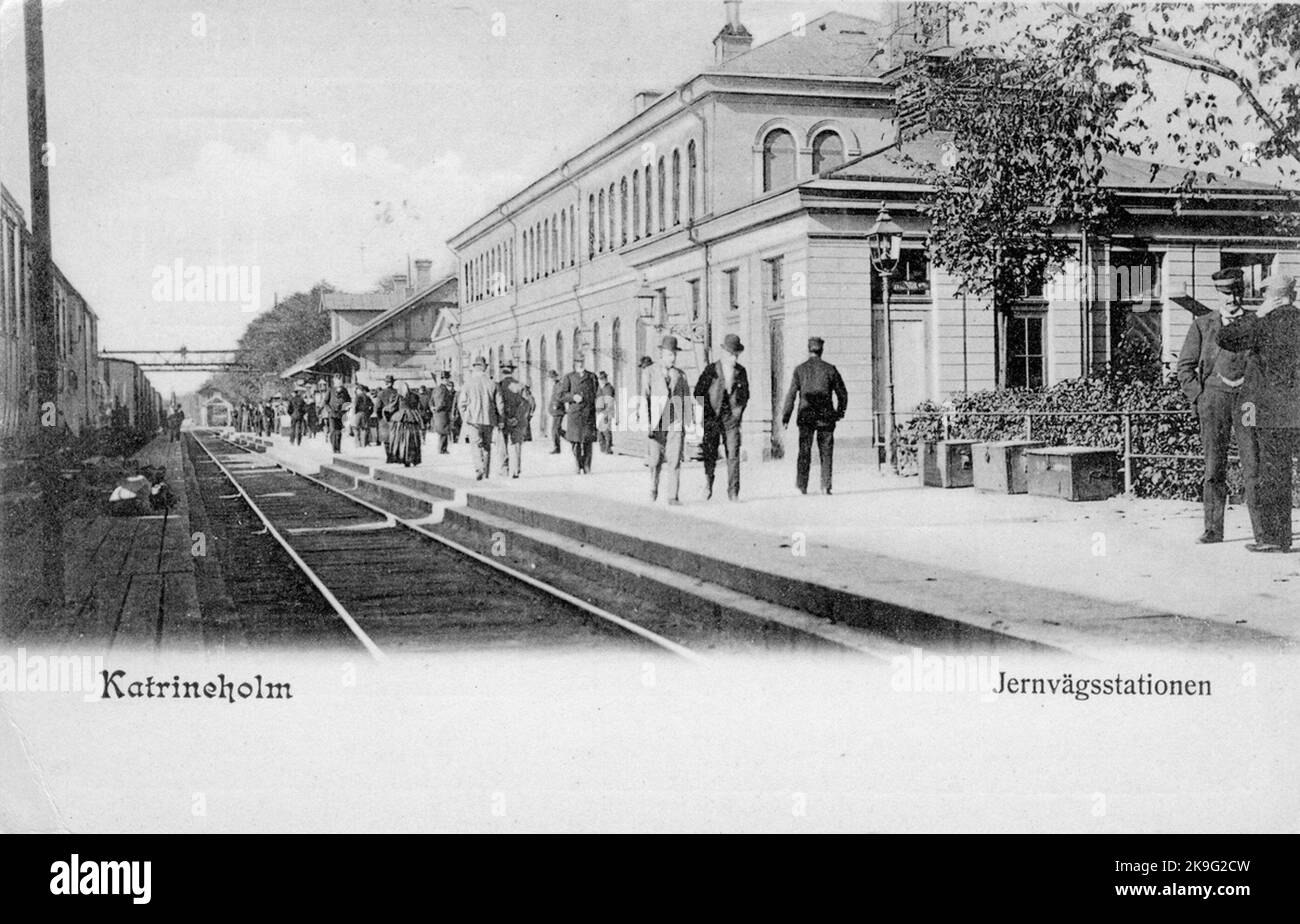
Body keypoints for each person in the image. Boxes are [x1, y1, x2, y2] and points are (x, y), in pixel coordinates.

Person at [1217, 272, 1300, 553]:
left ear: (1274, 297)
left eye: (1265, 296)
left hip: (1275, 414)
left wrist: (1259, 314)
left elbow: (1226, 337)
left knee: (1274, 474)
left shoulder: (1265, 323)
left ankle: (1276, 539)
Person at [1177, 268, 1258, 544]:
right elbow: (1185, 367)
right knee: (1213, 467)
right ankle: (1213, 529)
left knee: (1253, 463)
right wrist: (1199, 396)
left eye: (1236, 292)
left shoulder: (1255, 323)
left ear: (1243, 293)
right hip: (1213, 401)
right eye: (1226, 294)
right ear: (1218, 295)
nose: (1232, 299)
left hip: (1248, 402)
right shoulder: (1203, 325)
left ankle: (1262, 532)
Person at [781, 336, 848, 495]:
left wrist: (785, 417)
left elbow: (791, 395)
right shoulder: (830, 369)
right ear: (821, 350)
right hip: (826, 417)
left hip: (806, 416)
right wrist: (839, 413)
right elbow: (842, 394)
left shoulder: (800, 370)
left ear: (808, 349)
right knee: (826, 452)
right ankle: (826, 486)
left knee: (804, 451)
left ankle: (802, 486)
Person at [694, 333, 750, 501]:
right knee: (710, 453)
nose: (734, 358)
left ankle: (733, 492)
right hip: (712, 418)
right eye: (731, 354)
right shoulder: (711, 370)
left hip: (730, 419)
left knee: (733, 454)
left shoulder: (741, 372)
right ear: (724, 353)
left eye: (736, 355)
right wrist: (707, 410)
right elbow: (698, 392)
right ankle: (708, 484)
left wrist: (738, 412)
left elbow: (746, 394)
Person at [643, 335, 692, 504]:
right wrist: (647, 424)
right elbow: (645, 399)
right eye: (669, 355)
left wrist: (687, 425)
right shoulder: (649, 372)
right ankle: (653, 487)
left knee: (674, 459)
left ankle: (673, 496)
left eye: (674, 355)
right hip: (656, 423)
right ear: (661, 354)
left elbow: (686, 399)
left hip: (674, 422)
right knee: (655, 460)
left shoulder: (681, 375)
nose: (673, 358)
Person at [554, 353, 599, 474]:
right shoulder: (569, 377)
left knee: (588, 442)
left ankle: (587, 466)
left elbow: (596, 393)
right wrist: (573, 397)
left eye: (582, 361)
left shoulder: (592, 377)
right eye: (578, 361)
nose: (580, 363)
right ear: (574, 363)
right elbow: (561, 395)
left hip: (589, 413)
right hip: (575, 414)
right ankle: (578, 465)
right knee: (576, 442)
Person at [458, 357, 500, 480]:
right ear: (485, 367)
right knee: (487, 445)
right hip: (489, 419)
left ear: (474, 367)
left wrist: (465, 417)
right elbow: (500, 404)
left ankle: (479, 468)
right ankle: (486, 471)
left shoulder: (468, 383)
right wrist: (499, 419)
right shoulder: (492, 383)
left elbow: (462, 404)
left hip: (473, 420)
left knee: (476, 445)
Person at [496, 363, 535, 478]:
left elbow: (495, 404)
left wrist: (504, 418)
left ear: (502, 372)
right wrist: (520, 418)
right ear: (513, 371)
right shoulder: (521, 386)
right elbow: (530, 403)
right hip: (518, 421)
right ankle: (515, 470)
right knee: (516, 444)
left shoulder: (499, 386)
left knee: (502, 444)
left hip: (502, 420)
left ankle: (504, 469)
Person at [389, 382, 424, 467]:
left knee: (401, 440)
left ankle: (403, 457)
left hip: (401, 420)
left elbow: (392, 407)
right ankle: (413, 458)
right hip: (412, 418)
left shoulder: (398, 397)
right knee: (413, 440)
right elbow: (420, 407)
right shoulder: (414, 396)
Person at [325, 375, 351, 454]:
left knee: (339, 432)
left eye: (339, 379)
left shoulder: (344, 390)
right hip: (332, 414)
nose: (338, 381)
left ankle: (338, 449)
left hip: (341, 414)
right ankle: (334, 448)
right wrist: (329, 410)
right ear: (334, 381)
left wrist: (346, 410)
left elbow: (348, 401)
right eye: (336, 380)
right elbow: (326, 402)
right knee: (333, 431)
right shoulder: (330, 390)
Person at [375, 375, 399, 461]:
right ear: (393, 383)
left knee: (386, 439)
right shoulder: (397, 393)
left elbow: (377, 407)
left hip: (384, 418)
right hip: (396, 418)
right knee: (395, 438)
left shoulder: (381, 393)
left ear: (385, 383)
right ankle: (395, 456)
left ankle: (389, 457)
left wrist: (380, 418)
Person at [430, 371, 455, 454]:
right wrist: (437, 408)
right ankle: (442, 449)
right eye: (447, 379)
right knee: (444, 431)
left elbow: (431, 401)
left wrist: (432, 408)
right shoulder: (444, 389)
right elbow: (443, 402)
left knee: (442, 431)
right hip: (443, 413)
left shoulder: (435, 389)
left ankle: (443, 448)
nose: (447, 380)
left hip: (437, 414)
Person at [596, 371, 616, 454]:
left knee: (606, 430)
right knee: (600, 430)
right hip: (599, 412)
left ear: (606, 379)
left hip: (605, 412)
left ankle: (608, 448)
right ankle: (602, 448)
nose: (601, 380)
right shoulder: (600, 388)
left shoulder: (608, 388)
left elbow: (609, 401)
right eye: (600, 379)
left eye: (603, 378)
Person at [352, 384, 375, 449]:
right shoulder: (367, 397)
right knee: (364, 429)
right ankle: (363, 444)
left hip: (358, 414)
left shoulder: (357, 396)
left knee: (355, 429)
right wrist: (369, 413)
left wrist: (354, 414)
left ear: (359, 390)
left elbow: (355, 406)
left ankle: (357, 444)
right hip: (365, 414)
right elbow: (372, 406)